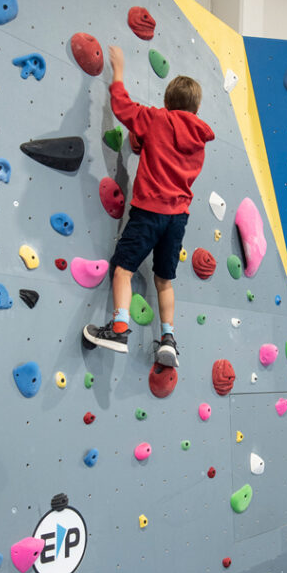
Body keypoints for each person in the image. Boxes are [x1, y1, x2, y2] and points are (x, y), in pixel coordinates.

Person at [83, 45, 215, 367]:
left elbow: (122, 107)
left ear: (168, 102)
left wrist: (118, 71)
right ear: (195, 109)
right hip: (177, 218)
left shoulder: (157, 119)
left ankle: (118, 329)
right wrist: (144, 143)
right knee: (164, 280)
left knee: (123, 269)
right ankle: (168, 339)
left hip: (149, 211)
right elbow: (168, 153)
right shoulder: (198, 141)